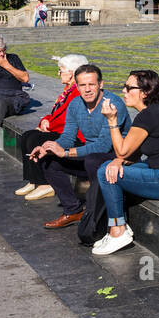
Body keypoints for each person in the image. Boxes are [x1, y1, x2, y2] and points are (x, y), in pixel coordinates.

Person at [94, 70, 159, 255]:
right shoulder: (153, 113)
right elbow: (130, 154)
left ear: (145, 92)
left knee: (104, 172)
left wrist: (112, 120)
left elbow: (123, 150)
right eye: (124, 86)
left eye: (128, 87)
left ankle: (118, 231)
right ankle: (119, 226)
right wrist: (118, 161)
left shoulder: (149, 116)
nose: (123, 91)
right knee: (110, 167)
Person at [27, 63, 130, 229]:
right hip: (91, 156)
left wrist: (66, 153)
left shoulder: (113, 104)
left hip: (116, 157)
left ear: (100, 84)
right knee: (48, 160)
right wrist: (51, 146)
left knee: (92, 160)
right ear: (77, 85)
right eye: (82, 85)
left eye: (91, 84)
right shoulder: (75, 104)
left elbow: (104, 146)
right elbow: (68, 136)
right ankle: (72, 210)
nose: (87, 89)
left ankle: (101, 215)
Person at [14, 54, 89, 200]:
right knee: (27, 136)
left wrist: (47, 125)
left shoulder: (76, 92)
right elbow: (55, 113)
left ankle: (46, 183)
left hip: (74, 136)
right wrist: (45, 120)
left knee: (36, 138)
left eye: (61, 70)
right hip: (60, 129)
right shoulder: (68, 90)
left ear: (72, 73)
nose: (58, 73)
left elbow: (67, 119)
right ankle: (33, 180)